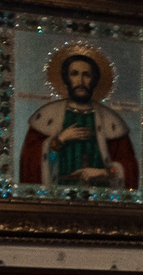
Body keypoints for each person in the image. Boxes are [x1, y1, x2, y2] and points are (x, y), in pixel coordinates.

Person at [19, 48, 136, 190]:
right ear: (66, 78)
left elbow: (129, 166)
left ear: (94, 80)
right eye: (74, 74)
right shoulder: (46, 116)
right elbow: (29, 163)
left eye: (86, 75)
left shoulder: (111, 121)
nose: (80, 81)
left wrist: (103, 172)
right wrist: (58, 141)